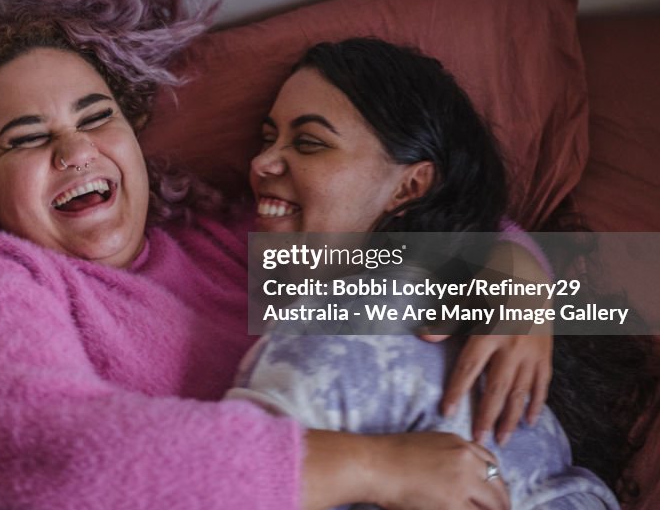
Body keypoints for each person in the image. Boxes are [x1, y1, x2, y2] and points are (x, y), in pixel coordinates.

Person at [0, 0, 550, 510]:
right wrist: (373, 467)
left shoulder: (232, 243)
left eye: (96, 117)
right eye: (26, 138)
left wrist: (517, 275)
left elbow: (407, 230)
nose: (75, 151)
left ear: (135, 138)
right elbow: (60, 451)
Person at [226, 38, 625, 509]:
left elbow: (228, 484)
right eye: (267, 138)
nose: (260, 162)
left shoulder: (342, 326)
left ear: (408, 187)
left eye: (309, 143)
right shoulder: (447, 288)